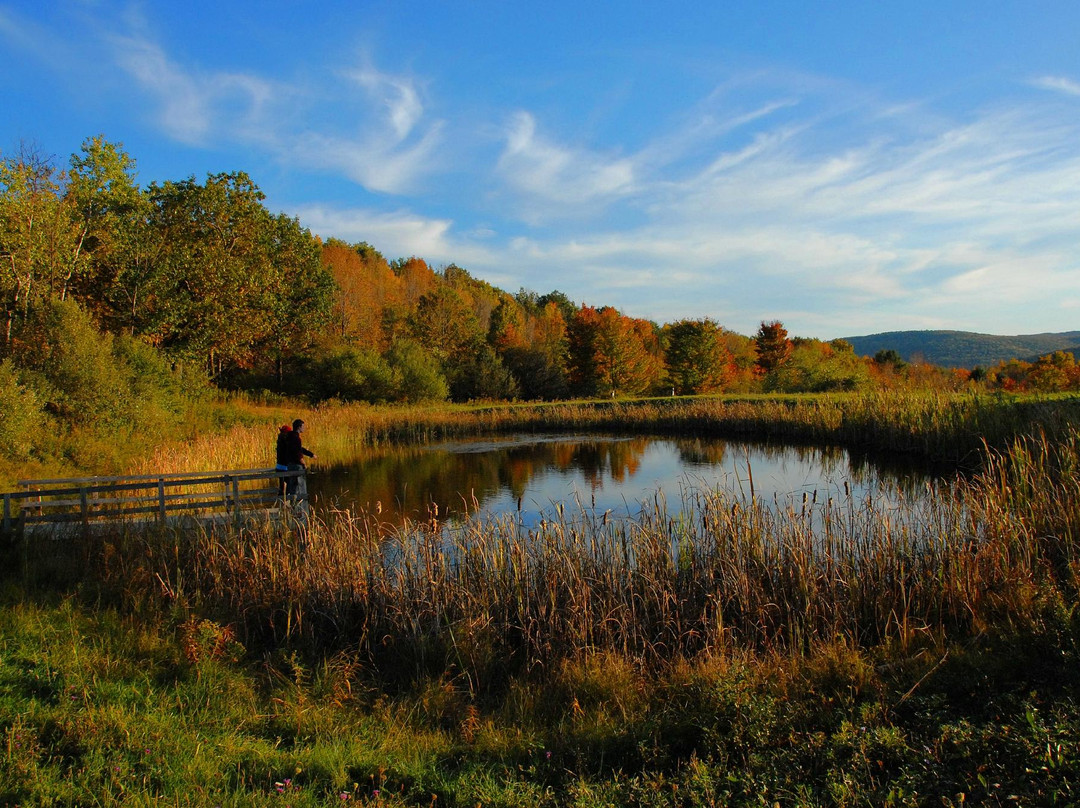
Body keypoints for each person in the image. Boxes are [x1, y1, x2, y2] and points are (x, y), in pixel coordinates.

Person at [281, 418, 316, 501]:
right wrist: (303, 463)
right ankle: (299, 506)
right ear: (299, 427)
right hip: (296, 465)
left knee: (292, 486)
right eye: (303, 426)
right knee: (299, 486)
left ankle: (293, 504)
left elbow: (299, 449)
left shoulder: (290, 437)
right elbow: (298, 452)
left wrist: (311, 454)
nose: (304, 428)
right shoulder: (296, 438)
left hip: (290, 464)